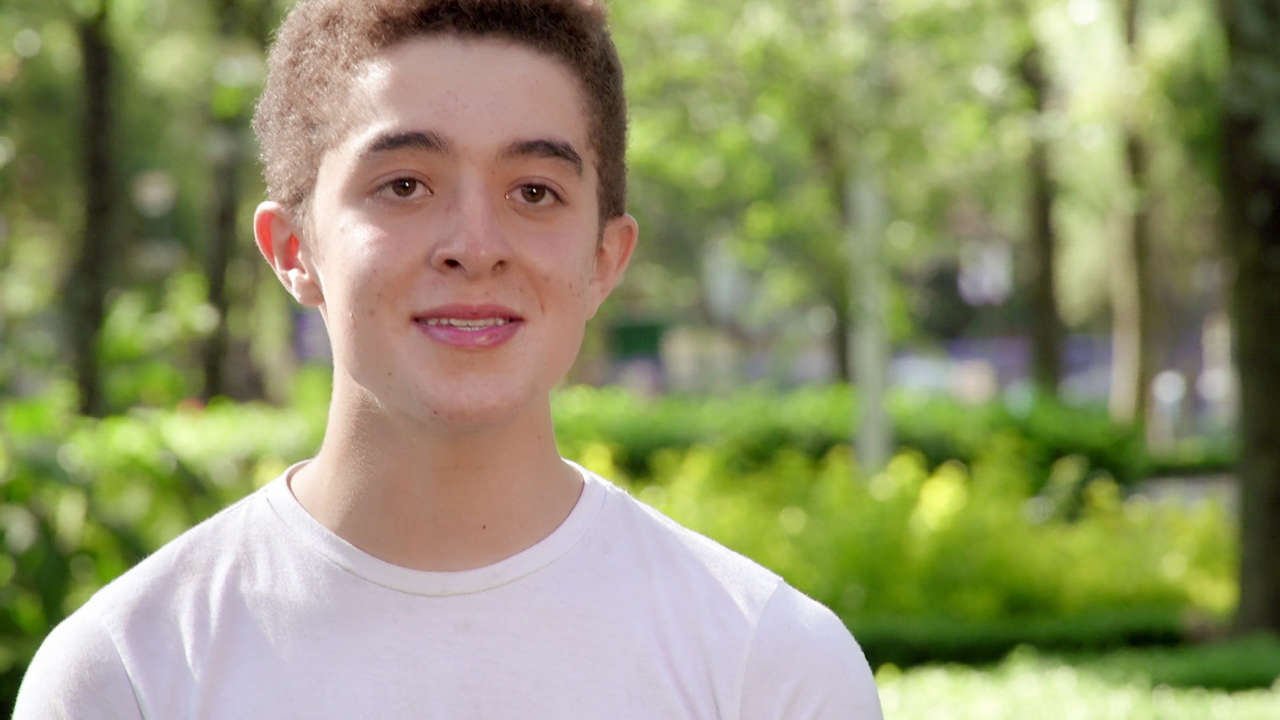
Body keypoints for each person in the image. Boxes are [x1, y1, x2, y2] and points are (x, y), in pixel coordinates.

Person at [14, 1, 883, 717]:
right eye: (405, 185)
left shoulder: (770, 669)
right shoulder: (129, 674)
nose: (476, 245)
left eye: (534, 191)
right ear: (293, 249)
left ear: (605, 260)